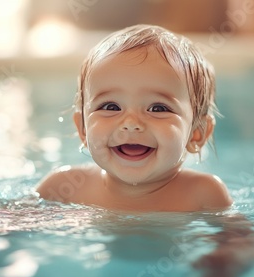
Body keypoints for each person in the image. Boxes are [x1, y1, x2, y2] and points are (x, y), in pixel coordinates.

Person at [36, 24, 232, 212]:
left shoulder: (204, 194)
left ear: (197, 133)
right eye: (111, 106)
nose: (131, 124)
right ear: (83, 129)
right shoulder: (64, 189)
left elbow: (237, 243)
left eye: (157, 108)